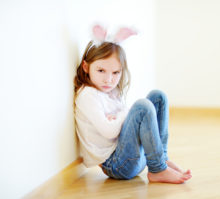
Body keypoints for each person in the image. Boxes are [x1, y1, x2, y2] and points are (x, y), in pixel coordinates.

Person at [73, 25, 192, 184]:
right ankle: (157, 169)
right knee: (142, 106)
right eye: (101, 70)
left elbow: (119, 125)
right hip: (117, 165)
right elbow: (110, 131)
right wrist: (124, 113)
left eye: (116, 72)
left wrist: (119, 117)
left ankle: (161, 159)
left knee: (158, 97)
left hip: (130, 156)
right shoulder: (87, 95)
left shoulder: (111, 93)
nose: (109, 79)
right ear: (86, 67)